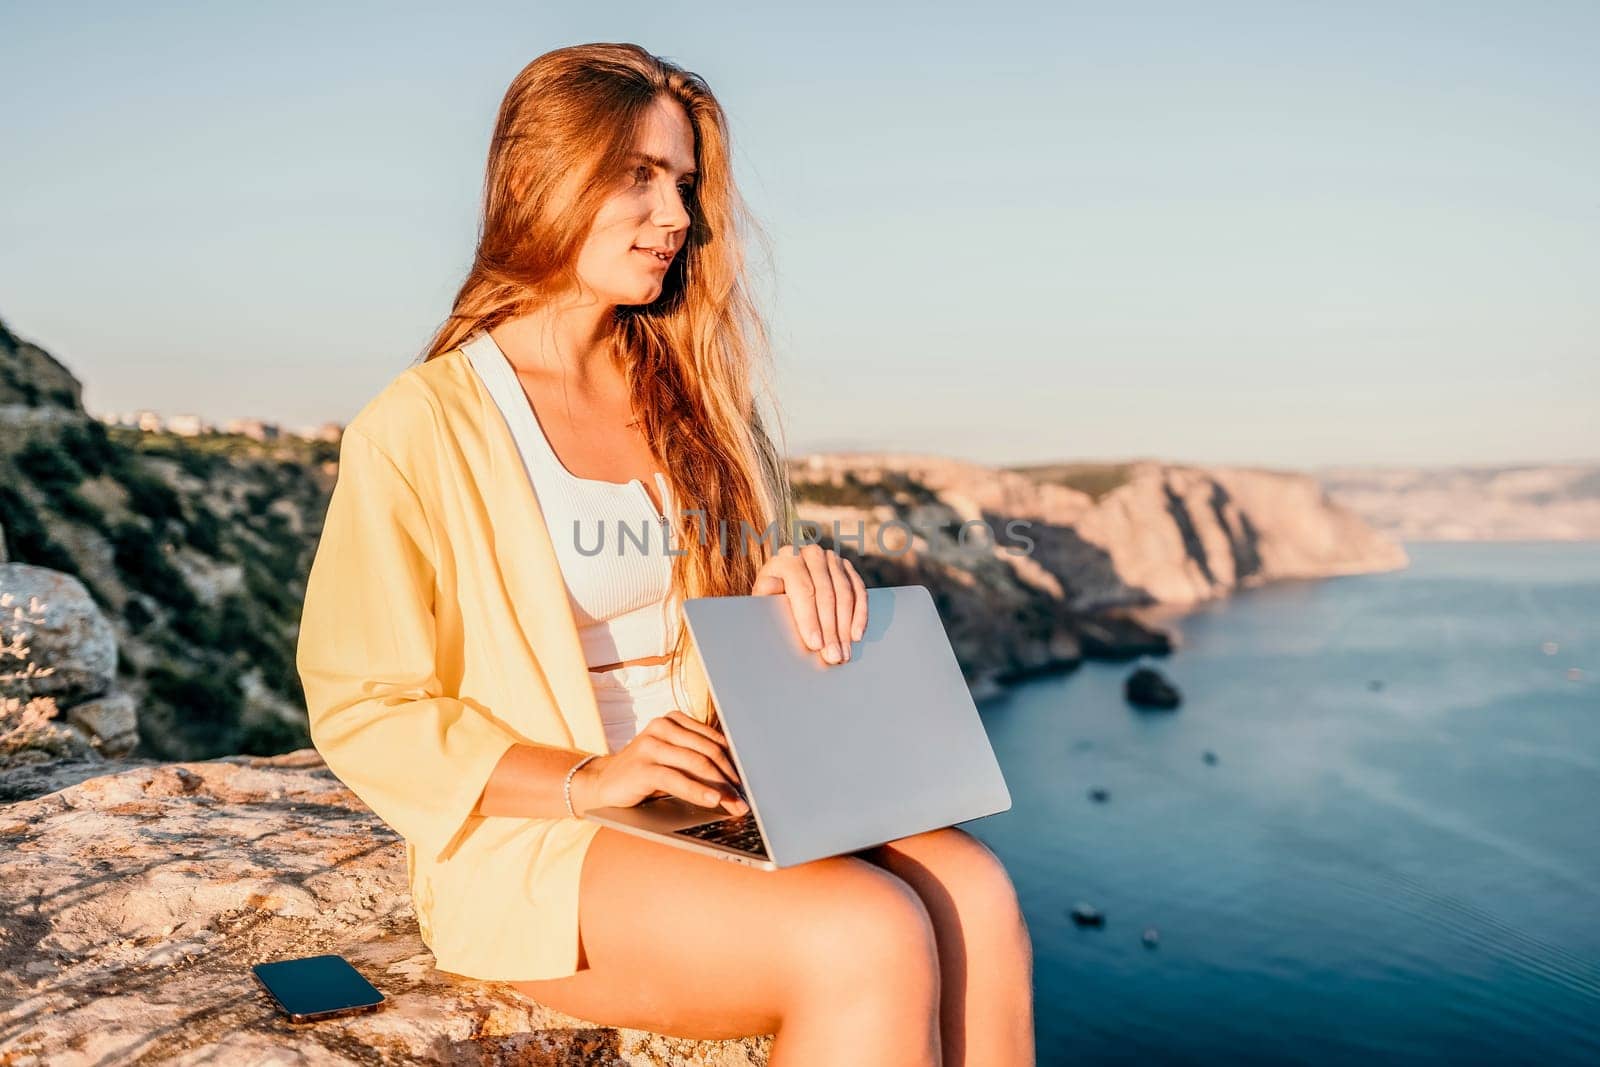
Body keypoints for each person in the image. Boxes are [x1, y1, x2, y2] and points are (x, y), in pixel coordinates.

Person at [296, 42, 1033, 1067]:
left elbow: (737, 605)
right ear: (535, 180)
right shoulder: (422, 424)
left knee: (979, 896)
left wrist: (791, 582)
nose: (676, 215)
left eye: (682, 182)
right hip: (548, 836)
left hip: (738, 792)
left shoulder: (701, 403)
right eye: (638, 176)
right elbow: (362, 701)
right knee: (865, 932)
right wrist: (588, 779)